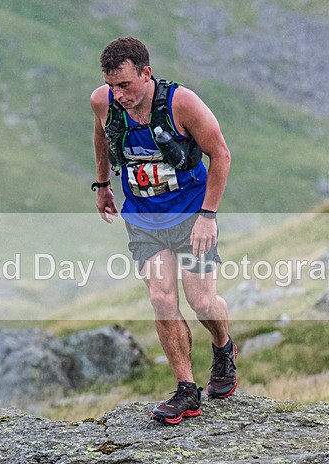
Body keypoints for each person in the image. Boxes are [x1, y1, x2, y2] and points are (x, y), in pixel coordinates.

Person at [90, 37, 236, 425]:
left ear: (146, 73)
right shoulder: (103, 102)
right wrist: (103, 185)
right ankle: (186, 390)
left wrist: (208, 214)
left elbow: (220, 154)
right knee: (161, 297)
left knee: (202, 301)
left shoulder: (181, 103)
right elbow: (101, 137)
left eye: (126, 85)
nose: (118, 95)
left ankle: (222, 346)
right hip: (143, 217)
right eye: (112, 86)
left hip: (191, 214)